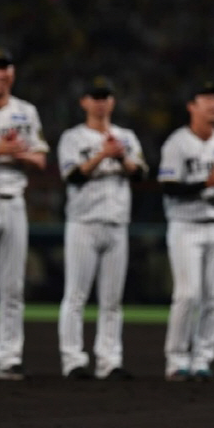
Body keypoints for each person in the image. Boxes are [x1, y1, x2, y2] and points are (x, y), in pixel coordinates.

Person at [57, 76, 148, 380]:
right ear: (83, 102)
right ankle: (73, 360)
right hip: (83, 223)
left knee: (112, 300)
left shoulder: (126, 137)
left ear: (112, 101)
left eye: (105, 96)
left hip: (117, 222)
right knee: (76, 295)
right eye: (95, 96)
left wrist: (120, 155)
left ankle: (109, 360)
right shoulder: (72, 137)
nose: (100, 102)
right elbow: (72, 177)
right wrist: (102, 155)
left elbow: (141, 174)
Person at [0, 47, 48, 381]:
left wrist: (18, 154)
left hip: (15, 200)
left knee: (13, 286)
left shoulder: (26, 112)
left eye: (5, 67)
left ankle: (9, 357)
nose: (0, 73)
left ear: (12, 74)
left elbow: (41, 160)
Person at [158, 83, 214, 381]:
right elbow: (169, 186)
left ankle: (203, 359)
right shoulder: (177, 143)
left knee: (212, 298)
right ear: (191, 106)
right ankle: (176, 359)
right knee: (188, 294)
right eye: (206, 98)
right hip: (185, 226)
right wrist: (207, 183)